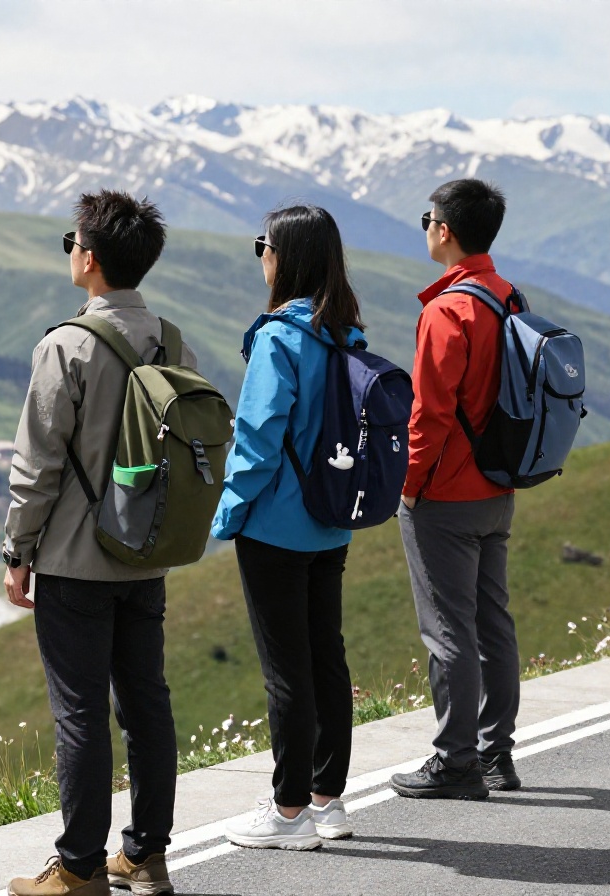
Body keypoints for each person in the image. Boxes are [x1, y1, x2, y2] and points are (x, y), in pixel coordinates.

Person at [2, 190, 196, 896]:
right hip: (146, 554)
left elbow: (38, 465)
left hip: (76, 563)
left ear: (89, 257)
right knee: (147, 702)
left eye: (73, 241)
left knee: (80, 714)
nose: (71, 251)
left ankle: (79, 868)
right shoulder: (172, 341)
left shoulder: (66, 345)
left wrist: (17, 553)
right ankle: (145, 855)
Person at [209, 204, 366, 850]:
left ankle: (289, 810)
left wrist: (226, 515)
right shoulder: (345, 335)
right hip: (331, 521)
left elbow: (256, 439)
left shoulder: (279, 338)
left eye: (263, 246)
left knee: (286, 670)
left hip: (276, 526)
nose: (261, 256)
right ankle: (327, 799)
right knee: (326, 656)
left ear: (286, 257)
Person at [390, 178, 523, 799]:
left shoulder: (447, 310)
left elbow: (430, 414)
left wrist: (411, 488)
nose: (425, 227)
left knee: (448, 631)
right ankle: (497, 754)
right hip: (499, 488)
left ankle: (455, 761)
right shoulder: (507, 297)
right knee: (493, 622)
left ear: (444, 229)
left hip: (446, 495)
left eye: (427, 218)